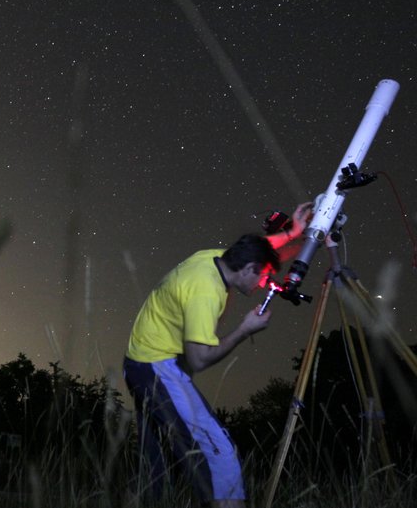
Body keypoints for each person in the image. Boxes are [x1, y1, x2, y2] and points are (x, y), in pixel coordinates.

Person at [123, 202, 311, 507]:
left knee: (153, 471)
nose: (263, 282)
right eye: (261, 276)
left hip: (140, 362)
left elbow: (258, 248)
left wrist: (292, 233)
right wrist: (244, 330)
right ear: (248, 269)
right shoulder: (206, 292)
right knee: (220, 453)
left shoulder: (214, 258)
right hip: (156, 367)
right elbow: (198, 359)